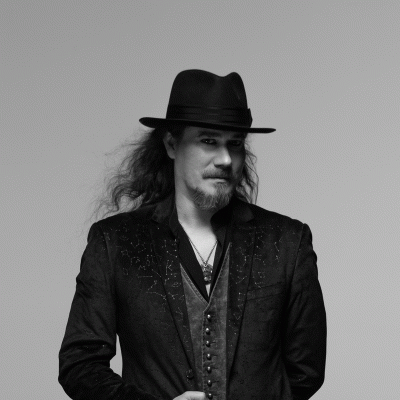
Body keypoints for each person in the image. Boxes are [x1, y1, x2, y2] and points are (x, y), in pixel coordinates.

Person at [59, 69, 326, 400]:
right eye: (209, 141)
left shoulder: (286, 242)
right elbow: (80, 365)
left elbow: (306, 371)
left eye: (235, 144)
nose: (225, 159)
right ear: (172, 144)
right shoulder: (116, 242)